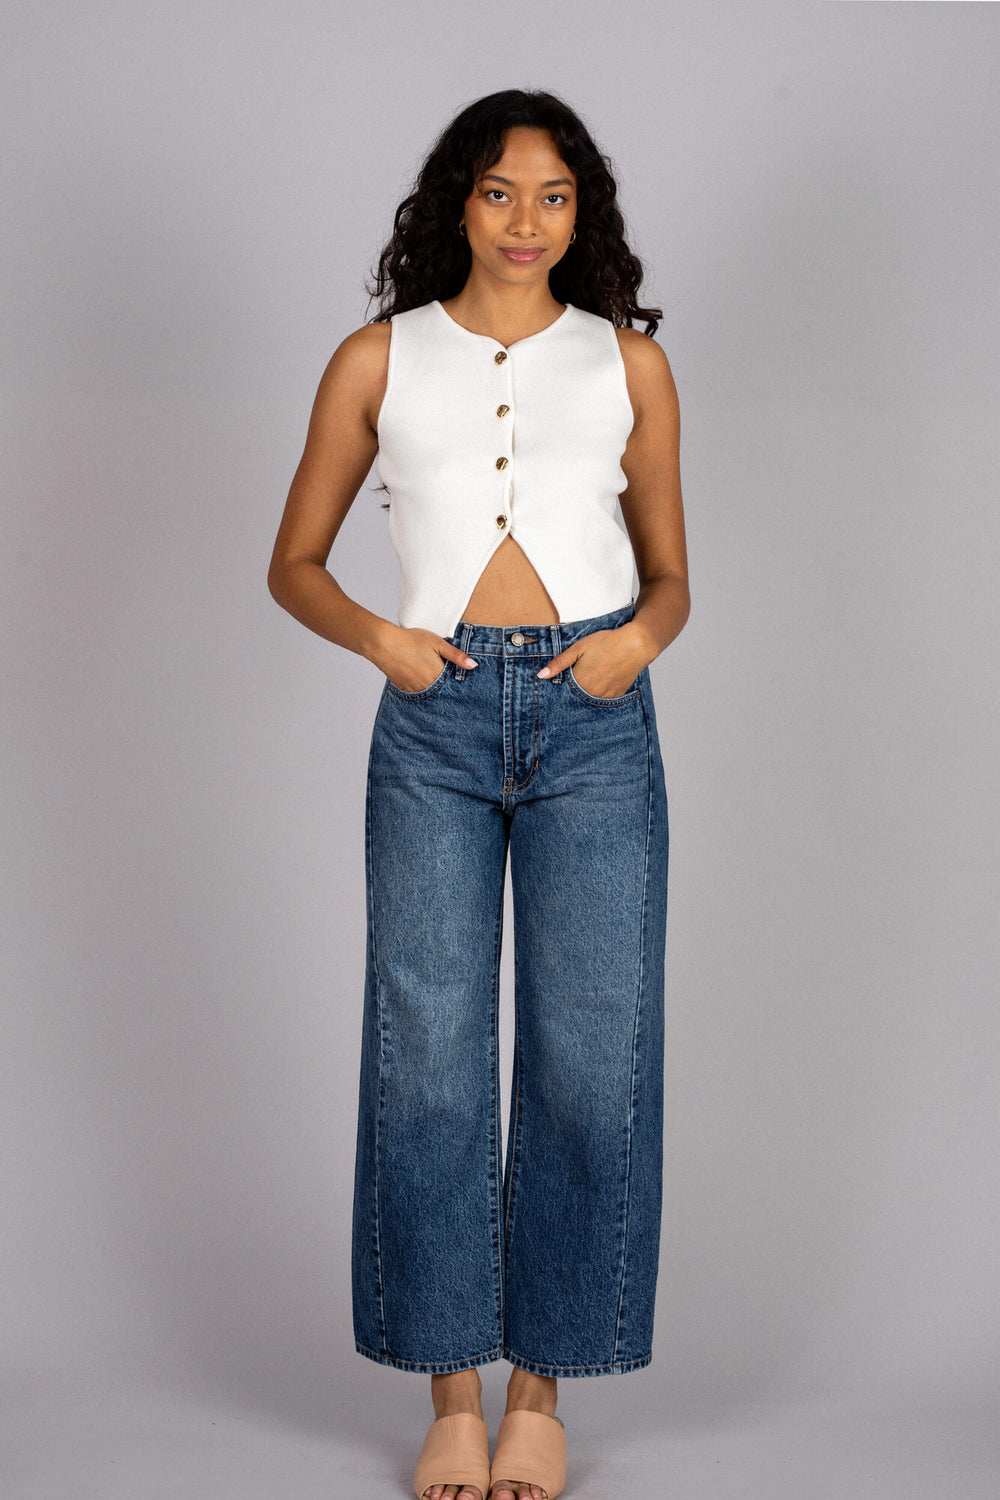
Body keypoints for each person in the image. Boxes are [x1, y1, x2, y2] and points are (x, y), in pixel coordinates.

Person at [268, 87, 689, 1500]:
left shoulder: (627, 366)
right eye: (501, 191)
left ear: (586, 214)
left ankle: (542, 1397)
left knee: (589, 1059)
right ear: (457, 200)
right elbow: (297, 561)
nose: (526, 221)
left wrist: (629, 646)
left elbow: (675, 576)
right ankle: (451, 1387)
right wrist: (385, 642)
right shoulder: (375, 359)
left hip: (593, 723)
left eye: (556, 195)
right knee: (430, 1057)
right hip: (434, 723)